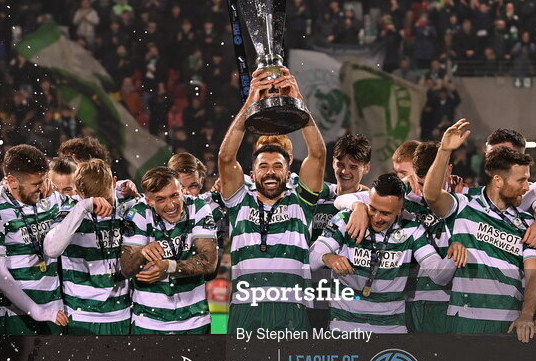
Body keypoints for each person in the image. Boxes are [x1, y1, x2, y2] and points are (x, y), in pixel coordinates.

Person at [216, 68, 326, 333]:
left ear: (288, 173)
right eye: (263, 166)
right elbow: (225, 158)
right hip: (246, 308)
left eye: (277, 166)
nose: (270, 172)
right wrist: (250, 104)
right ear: (252, 174)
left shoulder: (301, 202)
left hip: (292, 309)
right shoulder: (239, 201)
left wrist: (298, 101)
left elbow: (318, 154)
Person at [424, 121, 536, 342]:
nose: (527, 187)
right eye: (521, 180)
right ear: (498, 180)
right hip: (464, 319)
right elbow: (431, 196)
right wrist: (444, 151)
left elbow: (535, 274)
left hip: (509, 323)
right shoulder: (464, 202)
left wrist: (527, 315)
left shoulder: (529, 223)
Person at [310, 173, 462, 333]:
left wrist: (454, 255)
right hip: (344, 327)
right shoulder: (346, 218)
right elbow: (312, 259)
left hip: (391, 329)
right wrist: (328, 258)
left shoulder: (412, 227)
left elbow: (439, 276)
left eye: (385, 213)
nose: (377, 218)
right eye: (372, 209)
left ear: (400, 210)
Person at [0, 144, 68, 335]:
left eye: (44, 181)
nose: (42, 188)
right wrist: (36, 311)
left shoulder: (51, 200)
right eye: (36, 184)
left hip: (54, 312)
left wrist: (123, 187)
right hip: (14, 316)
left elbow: (87, 193)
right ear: (12, 181)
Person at [120, 167, 218, 334]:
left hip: (194, 320)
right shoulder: (139, 212)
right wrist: (142, 253)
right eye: (161, 199)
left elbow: (209, 263)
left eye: (175, 195)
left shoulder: (198, 207)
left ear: (182, 191)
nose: (171, 205)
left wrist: (169, 266)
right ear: (149, 201)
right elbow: (126, 269)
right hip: (148, 321)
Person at [42, 159, 128, 335]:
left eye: (105, 198)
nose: (102, 207)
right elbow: (51, 250)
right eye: (95, 201)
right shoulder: (69, 208)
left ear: (113, 182)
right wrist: (84, 207)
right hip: (81, 314)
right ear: (78, 192)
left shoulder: (128, 209)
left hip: (121, 313)